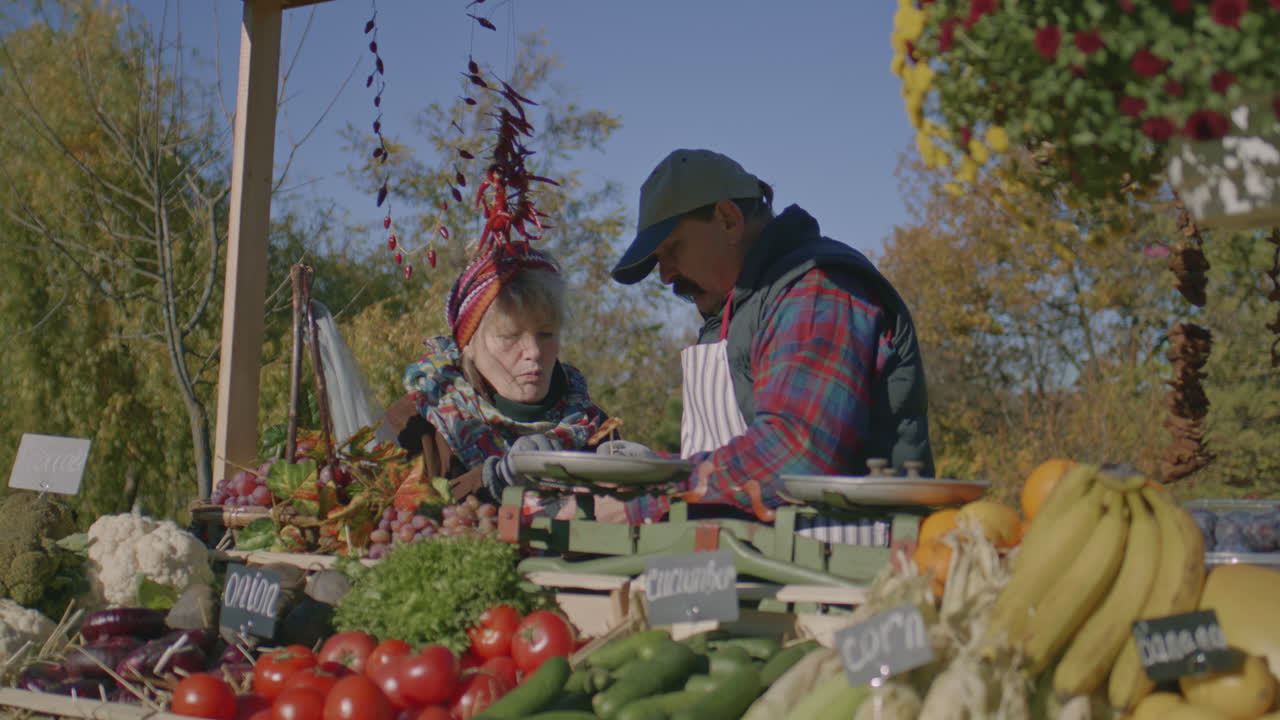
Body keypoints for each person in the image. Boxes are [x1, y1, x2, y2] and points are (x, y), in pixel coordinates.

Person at [600, 148, 933, 525]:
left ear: (728, 220)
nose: (664, 275)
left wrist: (648, 497)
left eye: (673, 249)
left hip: (851, 566)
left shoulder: (818, 288)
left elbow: (797, 455)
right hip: (753, 560)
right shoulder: (733, 309)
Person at [380, 241, 611, 508]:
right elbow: (389, 523)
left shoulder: (594, 427)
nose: (533, 351)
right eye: (510, 336)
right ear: (467, 343)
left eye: (546, 334)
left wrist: (641, 488)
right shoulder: (413, 426)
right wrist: (491, 480)